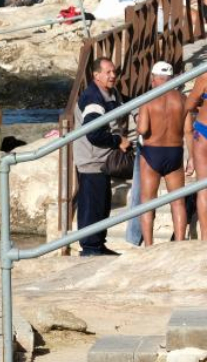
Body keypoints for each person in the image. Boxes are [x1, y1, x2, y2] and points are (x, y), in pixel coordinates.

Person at [74, 58, 130, 256]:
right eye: (108, 72)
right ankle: (89, 248)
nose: (113, 75)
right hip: (92, 160)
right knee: (92, 206)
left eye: (114, 71)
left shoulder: (111, 93)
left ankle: (98, 244)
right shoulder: (93, 98)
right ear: (96, 75)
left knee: (102, 205)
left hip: (103, 160)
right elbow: (94, 133)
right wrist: (118, 141)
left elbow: (126, 103)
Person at [135, 62, 188, 246]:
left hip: (152, 153)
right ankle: (180, 244)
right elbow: (188, 131)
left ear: (154, 78)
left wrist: (136, 120)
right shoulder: (182, 99)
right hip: (175, 152)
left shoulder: (148, 99)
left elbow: (142, 129)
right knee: (178, 202)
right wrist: (189, 159)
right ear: (171, 78)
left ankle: (149, 246)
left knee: (147, 203)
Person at [186, 65, 207, 237]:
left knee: (203, 189)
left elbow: (189, 104)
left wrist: (201, 107)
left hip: (204, 130)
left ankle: (205, 237)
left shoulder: (205, 77)